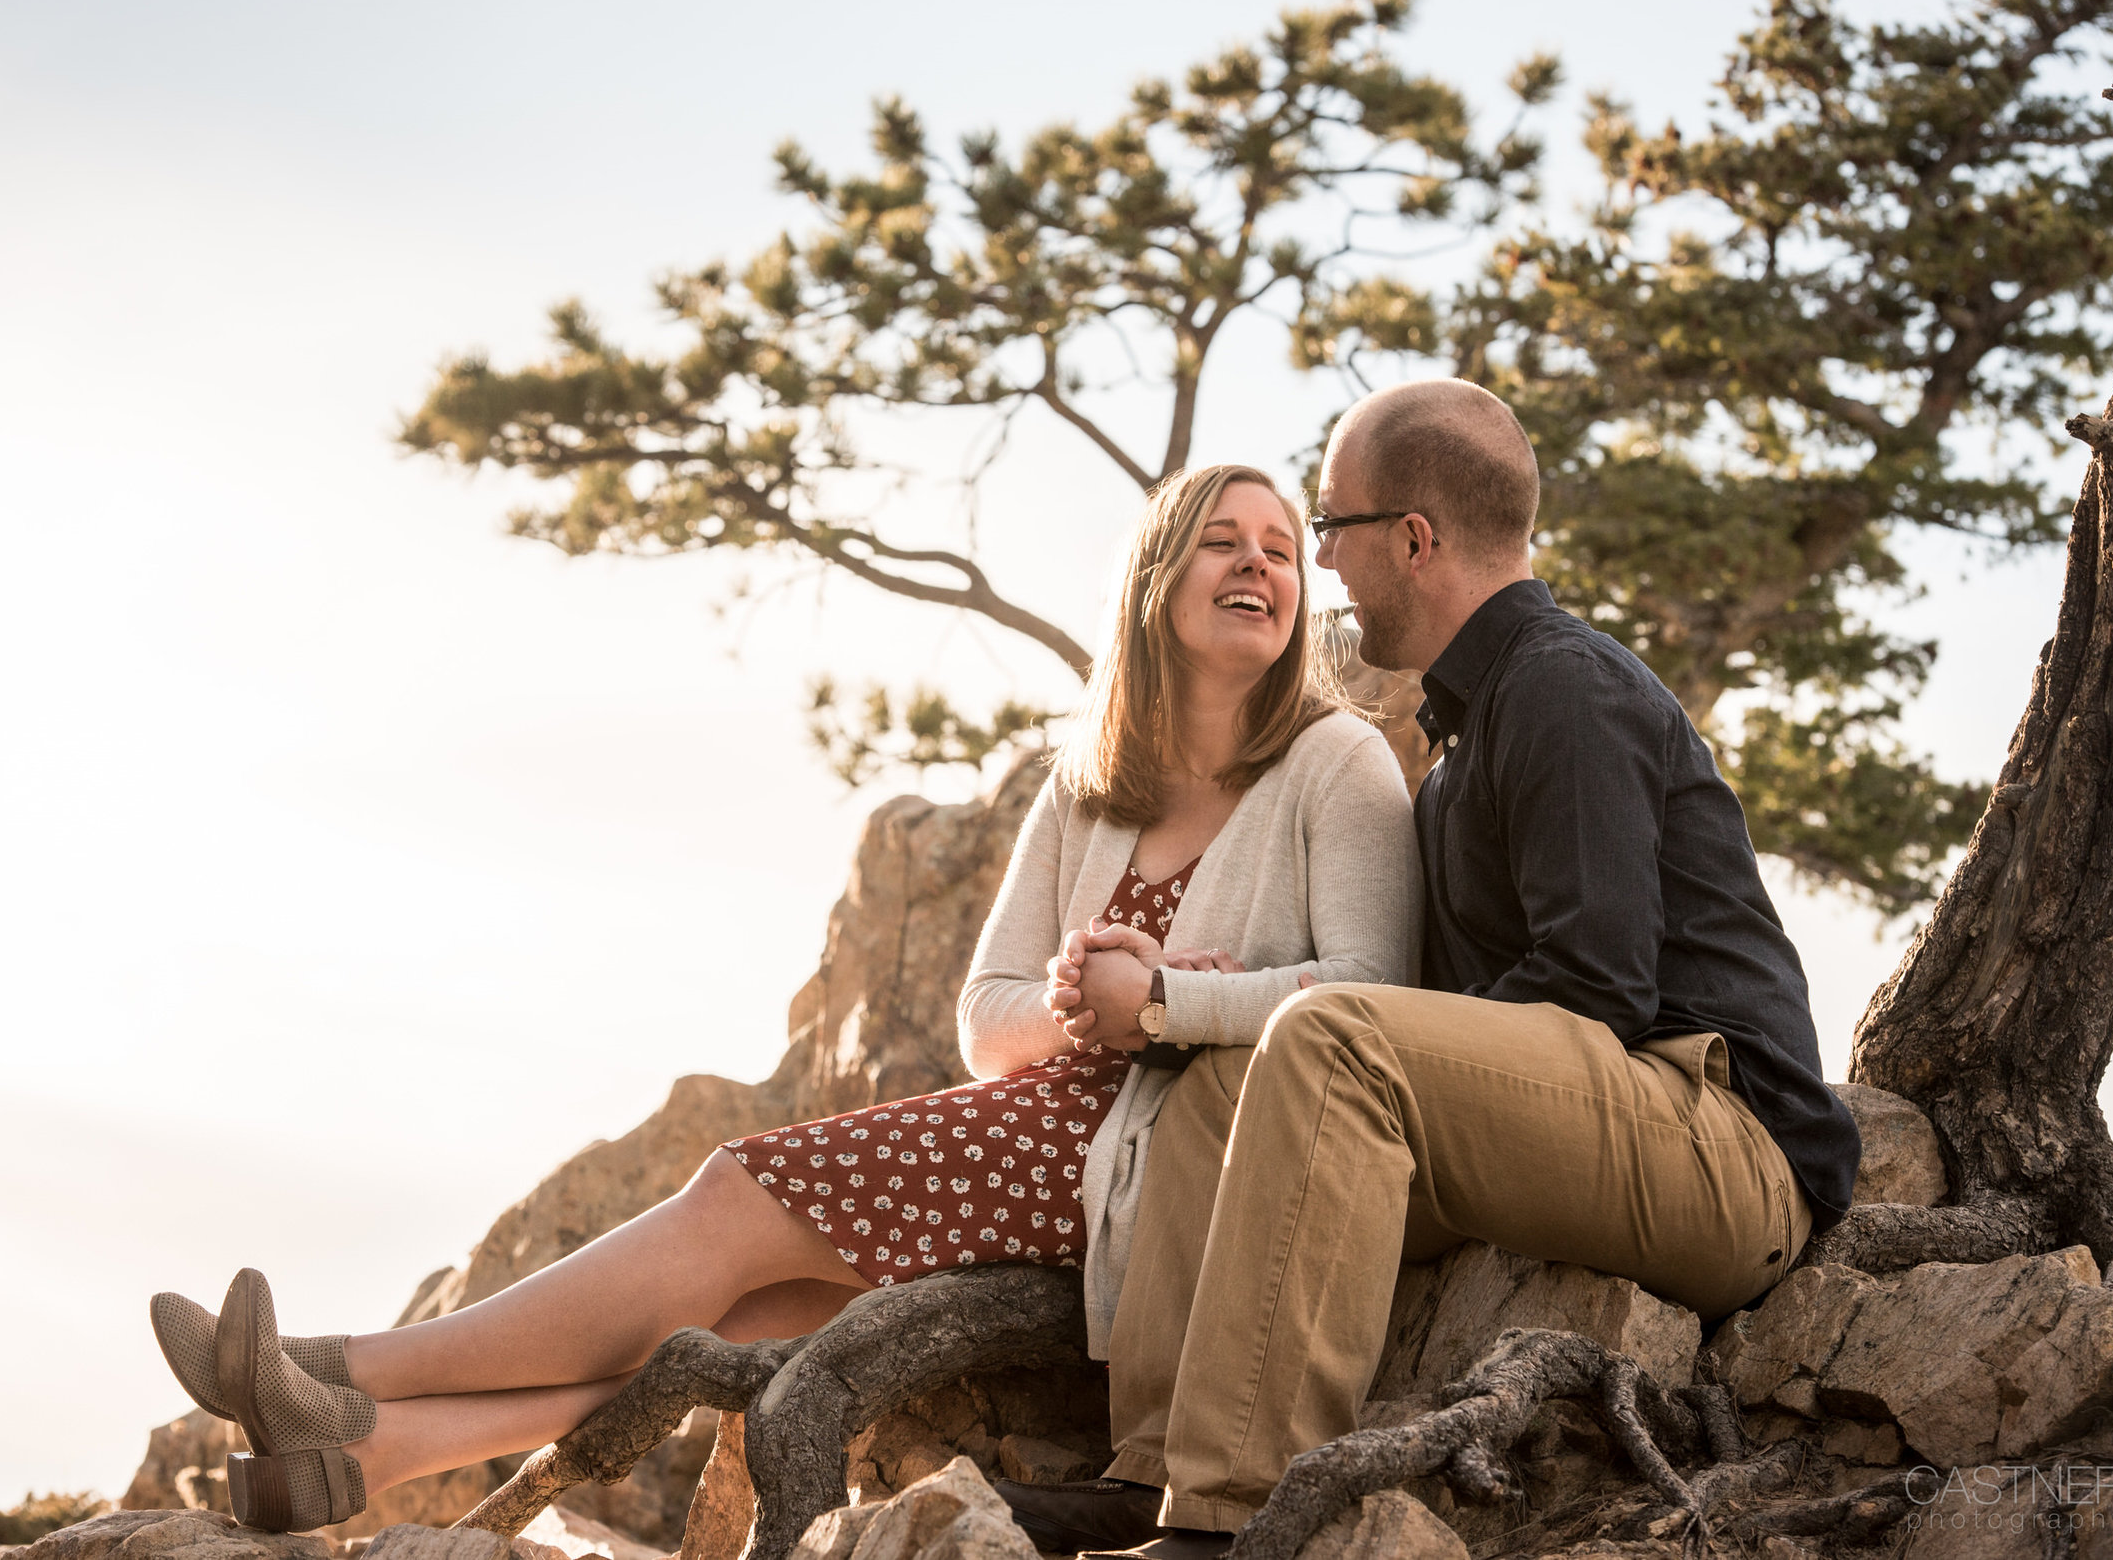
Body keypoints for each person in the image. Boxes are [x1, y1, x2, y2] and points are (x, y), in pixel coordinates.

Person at [148, 463, 1423, 1534]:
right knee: (756, 1313)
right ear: (1157, 578)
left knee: (734, 1197)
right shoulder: (1088, 781)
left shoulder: (1334, 760)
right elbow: (989, 1024)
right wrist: (1084, 1006)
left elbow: (1378, 997)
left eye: (1280, 548)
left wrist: (1168, 1007)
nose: (1260, 564)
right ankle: (363, 1463)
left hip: (1181, 1154)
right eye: (1221, 541)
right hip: (1043, 1123)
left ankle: (342, 1373)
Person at [998, 379, 1863, 1560]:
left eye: (1330, 531)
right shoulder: (1461, 738)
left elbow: (1598, 984)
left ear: (1412, 538)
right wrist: (1216, 997)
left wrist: (1352, 1037)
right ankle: (1151, 1470)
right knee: (1225, 1079)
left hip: (1721, 1149)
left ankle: (1230, 1519)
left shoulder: (1563, 685)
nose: (1327, 574)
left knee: (1330, 1037)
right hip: (1586, 1119)